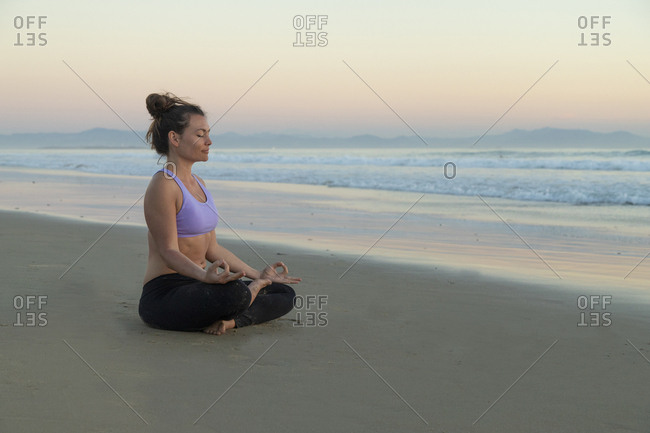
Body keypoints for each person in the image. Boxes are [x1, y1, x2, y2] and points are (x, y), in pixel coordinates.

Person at [138, 92, 301, 336]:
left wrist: (259, 274)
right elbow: (169, 252)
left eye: (208, 133)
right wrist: (205, 276)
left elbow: (211, 248)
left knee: (284, 293)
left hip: (202, 285)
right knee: (235, 293)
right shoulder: (164, 185)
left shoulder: (199, 183)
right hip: (166, 294)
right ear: (175, 138)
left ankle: (232, 321)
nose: (209, 141)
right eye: (200, 134)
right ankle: (246, 299)